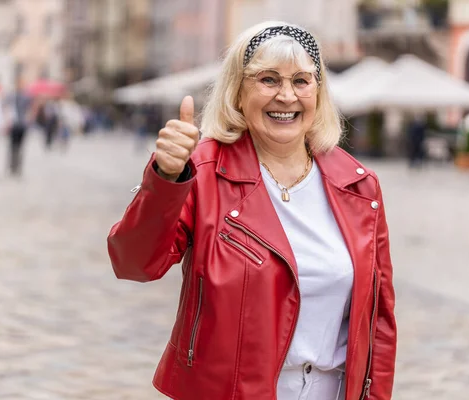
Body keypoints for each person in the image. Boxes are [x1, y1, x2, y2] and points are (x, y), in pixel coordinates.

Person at [107, 21, 396, 400]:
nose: (287, 96)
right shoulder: (202, 173)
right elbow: (134, 263)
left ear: (319, 93)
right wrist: (164, 178)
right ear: (237, 92)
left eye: (301, 81)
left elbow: (380, 319)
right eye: (269, 80)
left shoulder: (358, 186)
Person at [4, 78, 33, 176]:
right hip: (13, 123)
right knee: (12, 146)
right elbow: (6, 107)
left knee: (20, 147)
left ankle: (18, 166)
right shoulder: (11, 96)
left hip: (22, 124)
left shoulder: (27, 97)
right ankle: (12, 166)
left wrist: (28, 119)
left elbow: (30, 109)